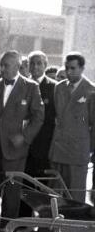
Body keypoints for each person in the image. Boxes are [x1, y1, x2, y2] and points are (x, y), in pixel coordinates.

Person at [0, 50, 44, 225]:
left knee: (12, 192)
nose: (2, 69)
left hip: (15, 150)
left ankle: (8, 230)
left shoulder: (31, 87)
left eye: (6, 65)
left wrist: (24, 137)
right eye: (1, 65)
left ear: (18, 66)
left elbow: (38, 117)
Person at [49, 52, 95, 203]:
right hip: (58, 149)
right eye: (67, 68)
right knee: (54, 197)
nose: (68, 72)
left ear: (82, 69)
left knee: (75, 197)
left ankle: (73, 227)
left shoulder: (91, 91)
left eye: (73, 68)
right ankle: (52, 227)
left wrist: (91, 151)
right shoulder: (59, 88)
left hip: (77, 152)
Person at [25, 51, 57, 178]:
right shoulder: (22, 85)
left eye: (39, 63)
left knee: (42, 186)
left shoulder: (54, 87)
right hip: (23, 145)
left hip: (44, 145)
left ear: (45, 65)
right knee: (24, 186)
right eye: (32, 63)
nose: (35, 67)